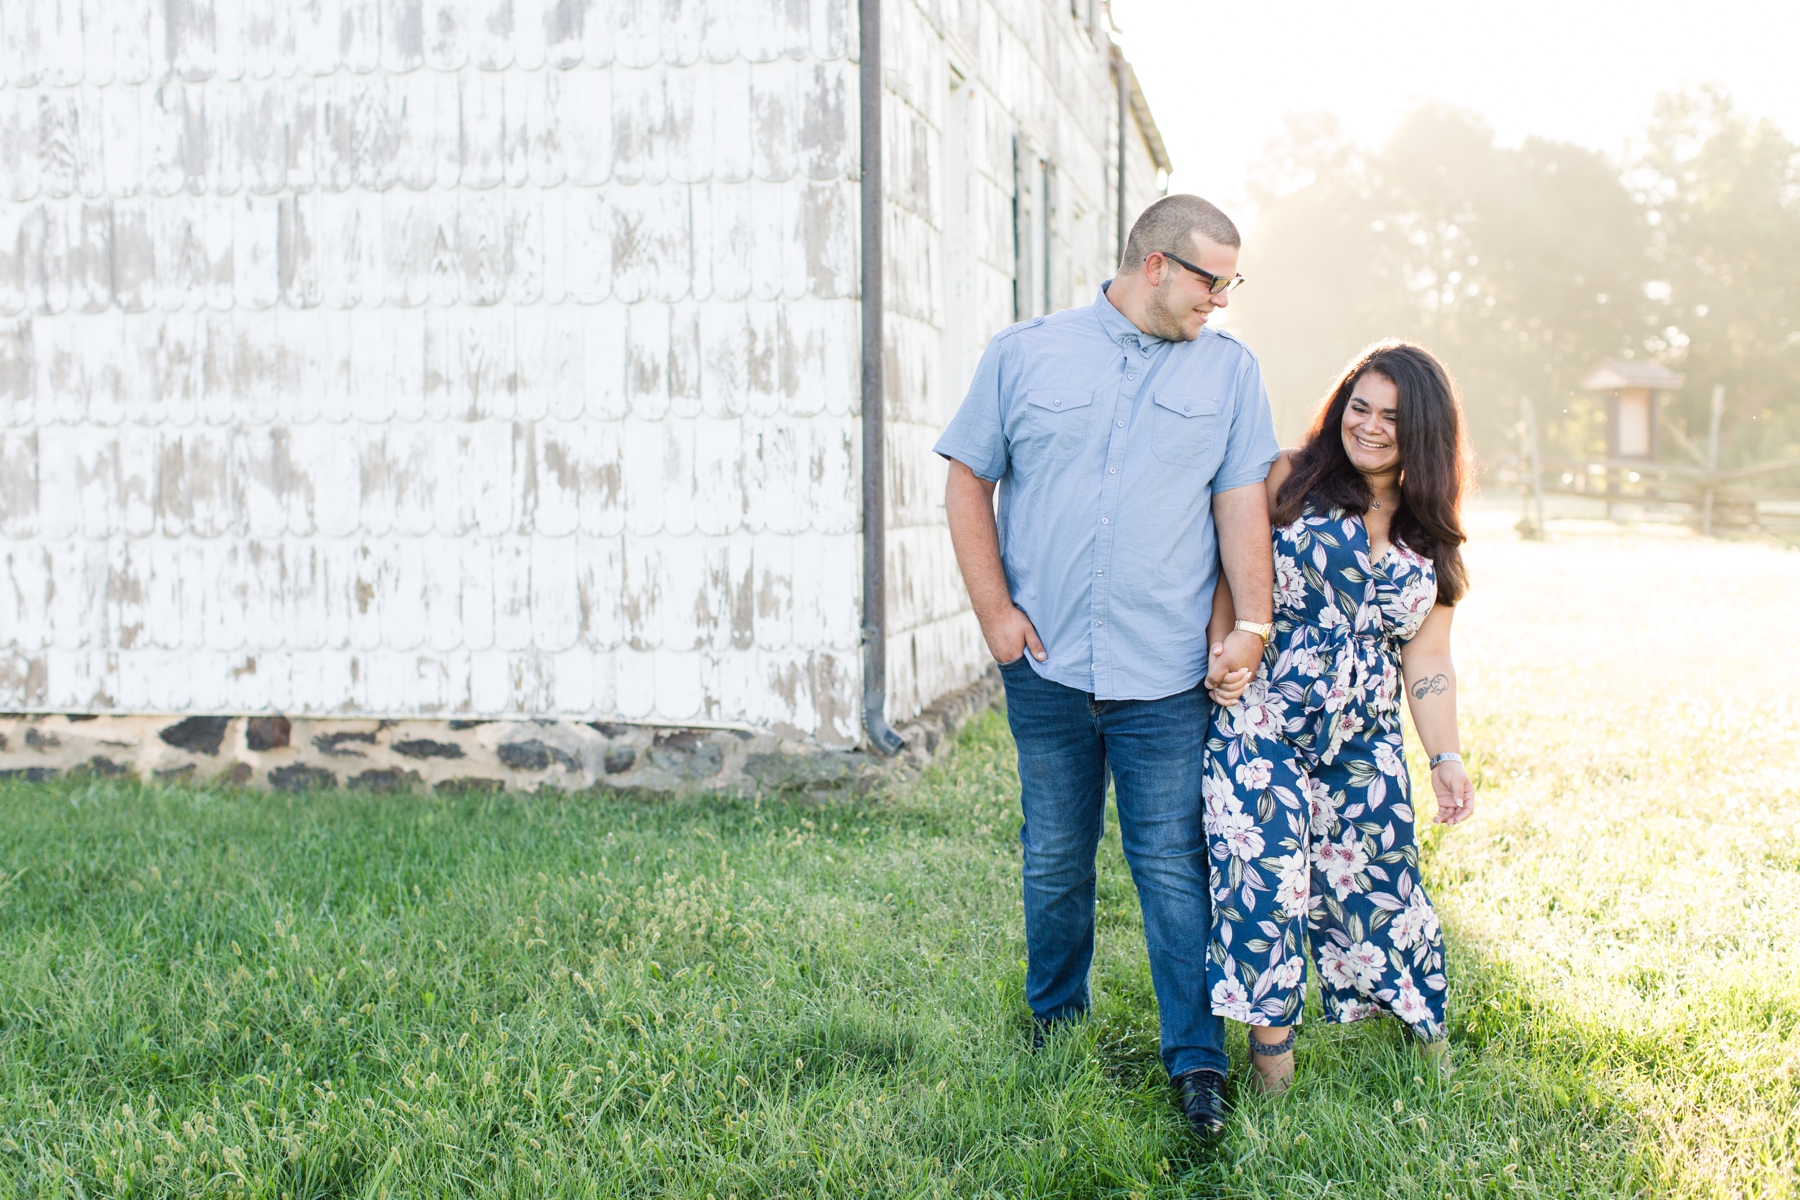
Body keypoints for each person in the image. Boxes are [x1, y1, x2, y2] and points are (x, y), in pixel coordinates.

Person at [935, 195, 1280, 1139]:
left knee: (1172, 864)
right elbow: (969, 475)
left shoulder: (1230, 373)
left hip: (1166, 674)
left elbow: (1241, 503)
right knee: (1053, 856)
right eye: (1214, 280)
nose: (1224, 299)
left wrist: (1251, 623)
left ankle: (1197, 1063)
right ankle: (1056, 1026)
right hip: (1045, 666)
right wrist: (995, 614)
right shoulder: (1024, 353)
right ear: (1157, 264)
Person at [1200, 340, 1476, 1095]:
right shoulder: (1290, 477)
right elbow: (1233, 563)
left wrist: (1445, 757)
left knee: (1384, 883)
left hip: (1364, 736)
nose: (1372, 426)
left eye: (1392, 416)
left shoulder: (1432, 531)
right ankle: (1272, 1072)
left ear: (1424, 430)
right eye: (1360, 406)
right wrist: (1226, 643)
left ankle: (1424, 1038)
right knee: (1266, 881)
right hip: (1264, 719)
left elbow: (1427, 660)